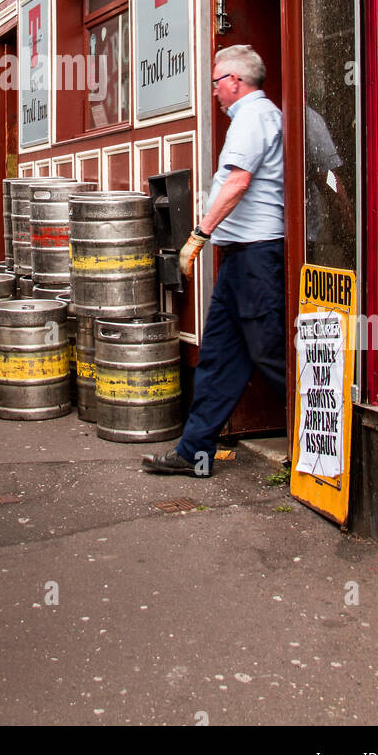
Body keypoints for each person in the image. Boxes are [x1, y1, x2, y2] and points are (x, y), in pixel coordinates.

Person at [142, 44, 285, 476]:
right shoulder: (252, 119)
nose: (215, 91)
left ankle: (328, 446)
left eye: (217, 81)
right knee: (220, 357)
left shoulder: (254, 117)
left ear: (235, 82)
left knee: (272, 353)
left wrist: (199, 234)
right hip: (241, 259)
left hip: (258, 257)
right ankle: (195, 454)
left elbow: (238, 181)